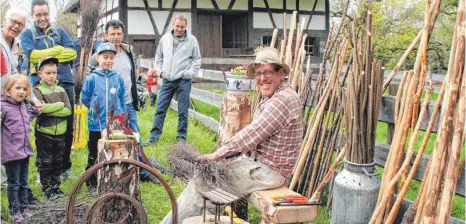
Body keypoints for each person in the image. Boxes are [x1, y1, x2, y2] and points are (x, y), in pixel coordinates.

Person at [160, 47, 304, 223]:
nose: (262, 78)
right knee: (199, 182)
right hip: (258, 166)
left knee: (206, 187)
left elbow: (252, 134)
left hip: (268, 172)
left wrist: (217, 154)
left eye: (268, 72)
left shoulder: (283, 100)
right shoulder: (275, 95)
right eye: (258, 73)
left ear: (282, 74)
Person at [20, 0, 77, 180]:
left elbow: (73, 52)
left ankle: (64, 167)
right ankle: (42, 170)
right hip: (40, 85)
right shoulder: (27, 34)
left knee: (67, 125)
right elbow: (32, 55)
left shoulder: (59, 31)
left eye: (45, 14)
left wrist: (46, 54)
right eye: (38, 15)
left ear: (49, 13)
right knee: (44, 126)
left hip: (65, 83)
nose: (42, 18)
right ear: (32, 16)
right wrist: (59, 50)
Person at [145, 14, 201, 145]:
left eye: (182, 27)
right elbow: (158, 57)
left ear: (186, 27)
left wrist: (187, 74)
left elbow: (197, 60)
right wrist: (160, 72)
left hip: (183, 81)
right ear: (173, 25)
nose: (179, 29)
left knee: (183, 111)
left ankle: (181, 140)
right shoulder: (165, 39)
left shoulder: (192, 40)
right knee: (160, 109)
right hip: (167, 80)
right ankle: (153, 138)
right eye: (177, 26)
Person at [81, 42, 126, 191]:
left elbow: (121, 97)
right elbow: (85, 98)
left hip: (114, 123)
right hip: (96, 123)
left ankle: (112, 178)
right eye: (105, 57)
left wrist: (121, 115)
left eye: (111, 57)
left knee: (113, 149)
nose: (108, 60)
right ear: (98, 58)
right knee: (94, 151)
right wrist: (94, 109)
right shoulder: (92, 78)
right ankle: (91, 181)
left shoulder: (117, 78)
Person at [87, 20, 140, 139]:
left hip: (127, 102)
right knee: (110, 138)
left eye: (119, 34)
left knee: (134, 135)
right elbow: (88, 79)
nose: (116, 37)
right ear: (106, 35)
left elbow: (134, 74)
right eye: (112, 34)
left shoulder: (129, 52)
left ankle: (136, 157)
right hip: (106, 106)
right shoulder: (97, 56)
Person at [1, 75, 41, 222]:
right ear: (7, 90)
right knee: (14, 184)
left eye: (25, 89)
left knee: (24, 183)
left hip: (24, 152)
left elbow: (35, 111)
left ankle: (24, 207)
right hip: (11, 154)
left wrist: (32, 99)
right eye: (17, 88)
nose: (21, 91)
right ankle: (14, 211)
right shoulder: (3, 106)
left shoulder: (23, 106)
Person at [33, 56, 72, 200]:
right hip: (44, 132)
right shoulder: (37, 91)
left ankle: (56, 186)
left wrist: (49, 108)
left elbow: (68, 110)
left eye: (54, 73)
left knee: (57, 160)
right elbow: (39, 108)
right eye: (48, 73)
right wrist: (59, 105)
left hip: (60, 132)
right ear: (40, 74)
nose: (51, 76)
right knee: (46, 161)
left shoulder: (61, 90)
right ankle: (46, 187)